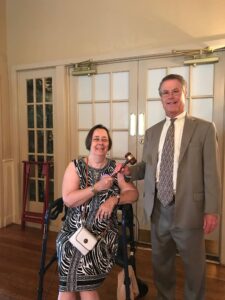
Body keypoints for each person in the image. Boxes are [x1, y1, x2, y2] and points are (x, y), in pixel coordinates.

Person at [119, 74, 221, 300]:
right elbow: (147, 167)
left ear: (185, 94)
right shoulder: (153, 132)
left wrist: (211, 210)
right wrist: (130, 172)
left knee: (194, 267)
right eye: (165, 92)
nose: (171, 96)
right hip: (158, 208)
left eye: (176, 91)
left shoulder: (204, 129)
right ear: (161, 98)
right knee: (161, 264)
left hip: (189, 210)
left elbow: (212, 173)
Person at [56, 124, 139, 300]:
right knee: (69, 250)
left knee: (73, 270)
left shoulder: (116, 168)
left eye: (104, 139)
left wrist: (114, 199)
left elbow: (133, 193)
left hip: (103, 232)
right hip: (73, 230)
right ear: (89, 142)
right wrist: (96, 188)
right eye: (96, 138)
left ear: (108, 145)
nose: (100, 143)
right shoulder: (76, 166)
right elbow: (68, 200)